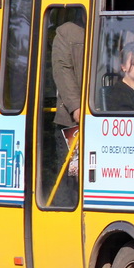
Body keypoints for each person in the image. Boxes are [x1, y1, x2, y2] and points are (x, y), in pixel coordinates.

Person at [52, 21, 85, 177]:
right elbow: (63, 70)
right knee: (70, 179)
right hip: (73, 123)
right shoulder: (67, 32)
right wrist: (76, 107)